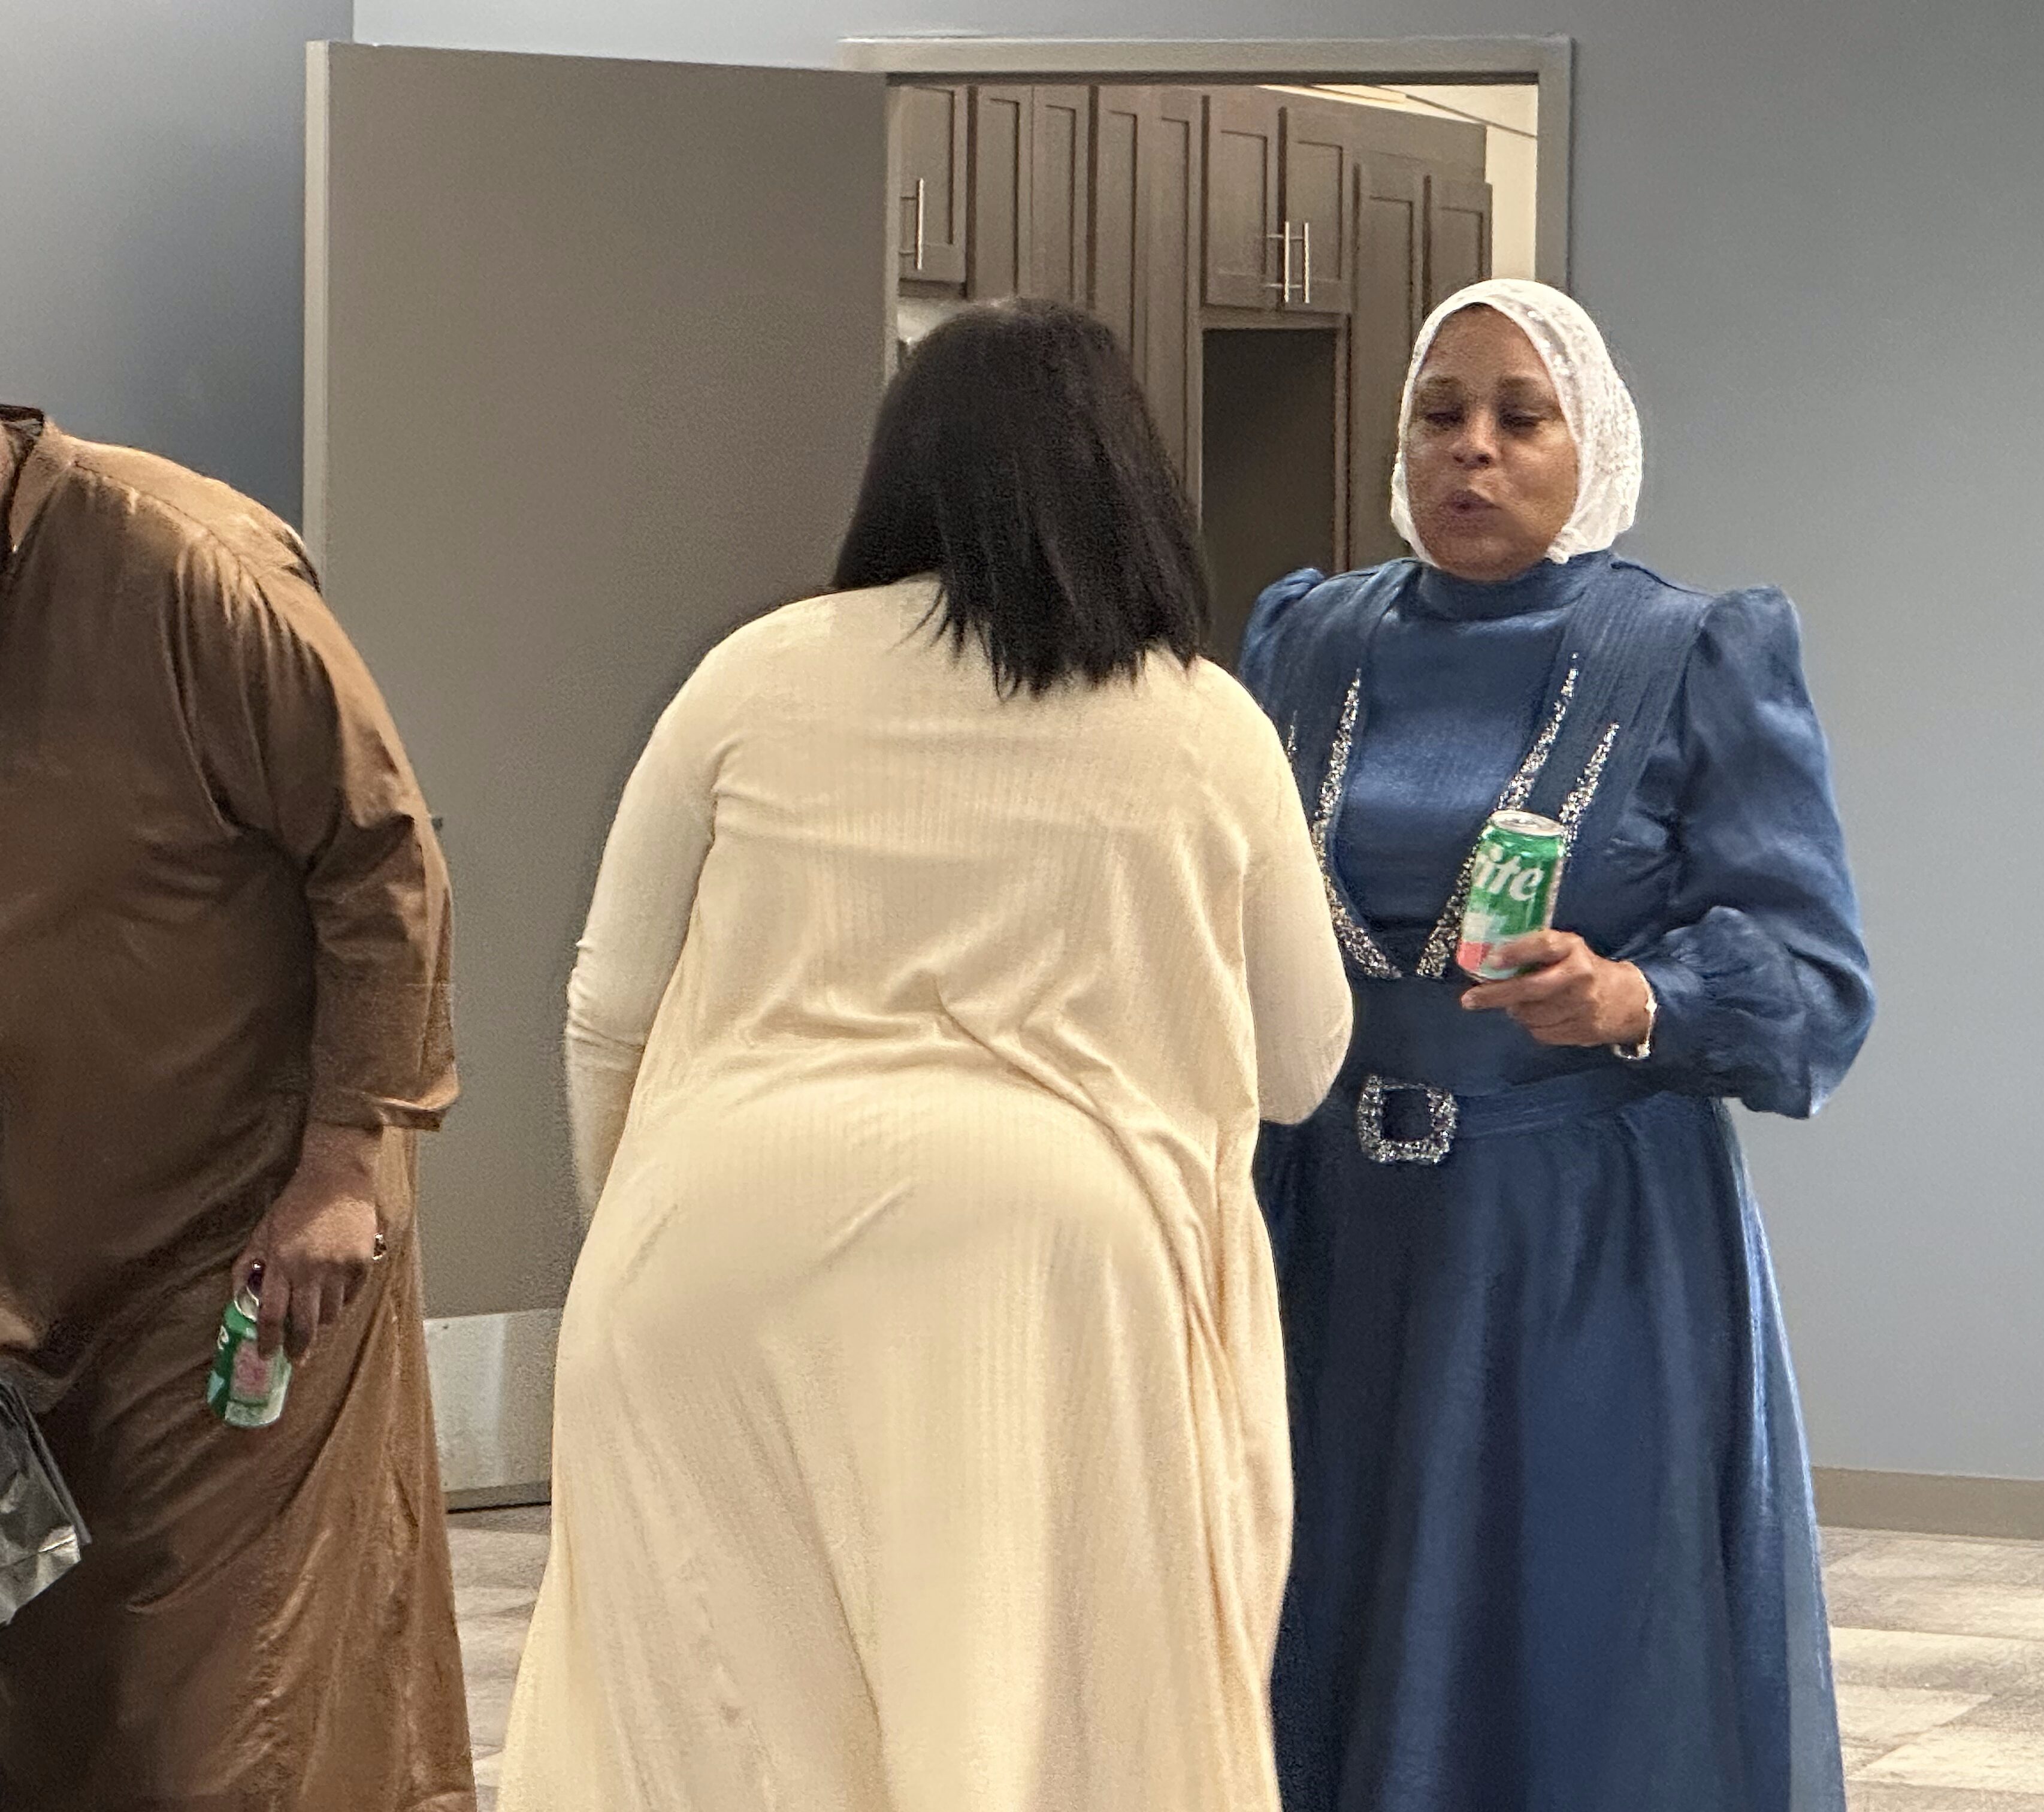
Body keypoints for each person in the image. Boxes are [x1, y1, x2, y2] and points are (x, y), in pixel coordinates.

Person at [499, 299, 1353, 1812]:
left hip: (708, 1240)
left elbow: (604, 1009)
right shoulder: (1205, 724)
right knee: (1015, 1737)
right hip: (1046, 1272)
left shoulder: (750, 677)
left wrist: (637, 1222)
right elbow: (1301, 1065)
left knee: (716, 1736)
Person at [1239, 279, 1876, 1810]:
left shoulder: (1691, 650)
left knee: (1573, 1626)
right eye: (1439, 413)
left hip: (1579, 1233)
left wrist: (1637, 999)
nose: (1473, 449)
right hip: (1325, 1227)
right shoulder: (1304, 640)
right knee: (1312, 1606)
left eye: (1520, 419)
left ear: (1593, 447)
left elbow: (1815, 985)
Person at [0, 407, 473, 1808]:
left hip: (240, 1245)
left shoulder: (185, 564)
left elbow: (384, 863)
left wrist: (344, 1162)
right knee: (49, 1702)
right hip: (31, 1260)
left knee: (218, 1721)